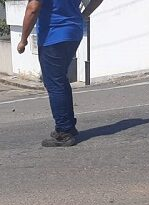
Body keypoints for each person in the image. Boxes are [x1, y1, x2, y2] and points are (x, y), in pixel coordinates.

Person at [17, 0, 103, 147]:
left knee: (54, 83)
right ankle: (68, 126)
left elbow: (33, 8)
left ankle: (64, 132)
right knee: (61, 80)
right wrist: (84, 14)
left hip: (53, 35)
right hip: (74, 32)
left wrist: (23, 40)